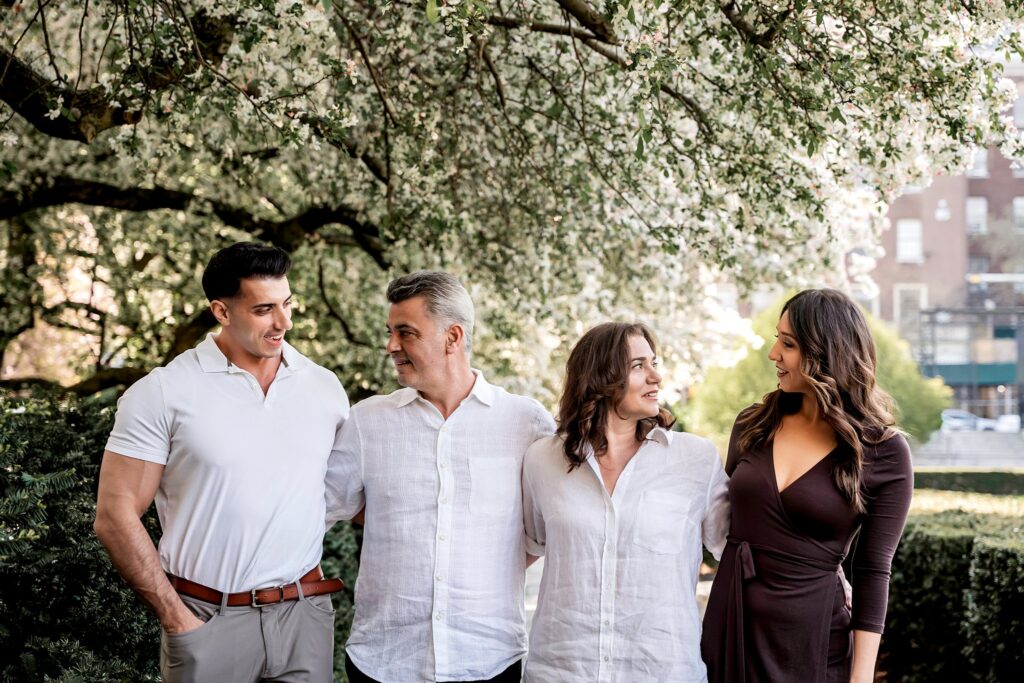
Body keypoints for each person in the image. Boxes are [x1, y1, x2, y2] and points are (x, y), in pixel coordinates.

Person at [94, 242, 349, 683]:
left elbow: (339, 491)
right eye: (264, 309)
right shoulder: (163, 393)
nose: (283, 322)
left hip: (303, 619)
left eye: (287, 304)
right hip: (207, 620)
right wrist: (177, 620)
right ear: (222, 311)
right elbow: (114, 516)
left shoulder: (324, 388)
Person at [325, 271, 556, 683]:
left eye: (405, 333)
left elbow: (542, 529)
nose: (390, 346)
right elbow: (331, 507)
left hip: (488, 657)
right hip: (383, 658)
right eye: (390, 332)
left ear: (452, 337)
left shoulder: (526, 423)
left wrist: (484, 571)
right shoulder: (367, 422)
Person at [701, 288, 914, 683]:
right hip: (732, 625)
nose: (773, 355)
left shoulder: (884, 451)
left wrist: (862, 675)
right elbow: (714, 512)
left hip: (813, 639)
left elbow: (873, 569)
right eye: (776, 340)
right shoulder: (752, 424)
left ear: (826, 353)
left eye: (788, 344)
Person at [522, 322, 730, 682]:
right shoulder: (542, 459)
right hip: (561, 671)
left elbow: (741, 547)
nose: (656, 377)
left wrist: (834, 575)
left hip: (662, 671)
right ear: (600, 377)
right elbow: (532, 544)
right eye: (638, 366)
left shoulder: (695, 460)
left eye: (655, 363)